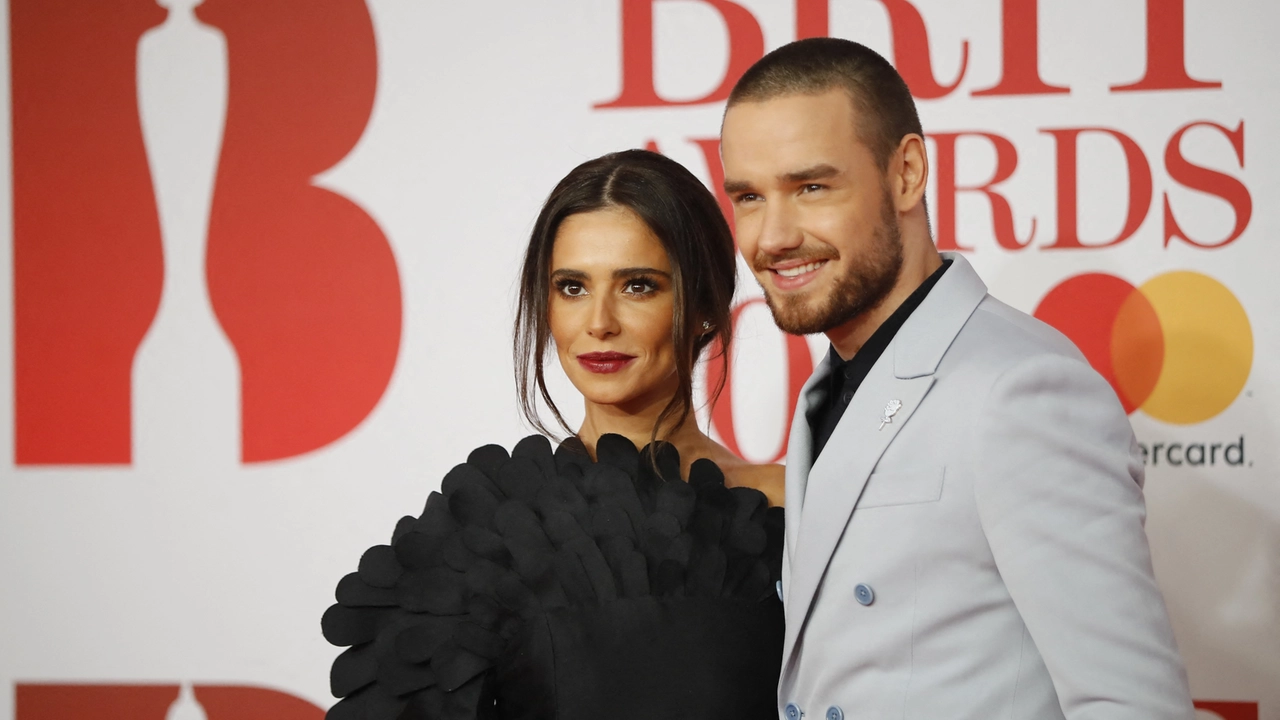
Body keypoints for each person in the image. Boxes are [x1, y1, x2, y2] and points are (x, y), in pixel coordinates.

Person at [719, 38, 1194, 720]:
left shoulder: (1021, 390)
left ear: (907, 172)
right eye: (749, 197)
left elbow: (1132, 706)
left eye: (811, 186)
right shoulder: (828, 391)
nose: (773, 236)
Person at [321, 149, 786, 720]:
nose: (598, 322)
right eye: (572, 287)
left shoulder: (793, 510)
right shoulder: (484, 533)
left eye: (638, 286)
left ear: (707, 308)